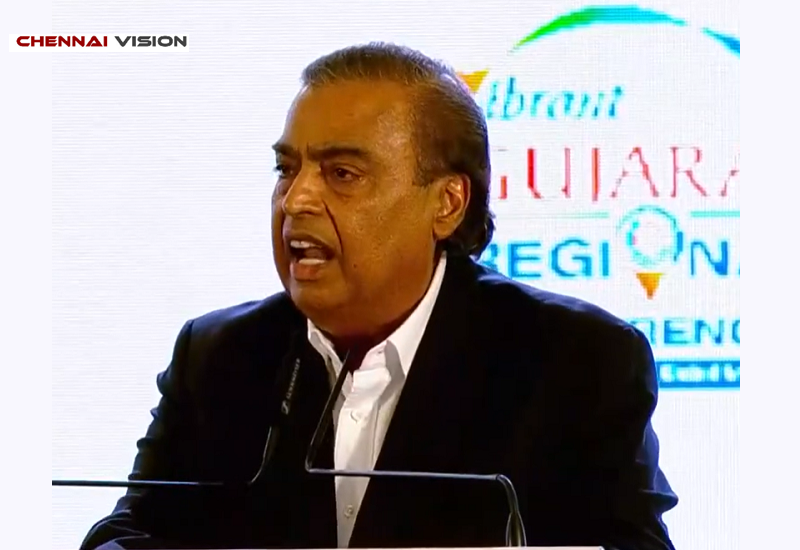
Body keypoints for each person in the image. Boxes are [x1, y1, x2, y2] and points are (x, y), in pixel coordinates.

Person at [81, 42, 677, 550]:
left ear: (446, 203)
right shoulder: (220, 354)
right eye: (286, 170)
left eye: (342, 174)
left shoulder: (576, 360)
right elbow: (131, 530)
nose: (296, 200)